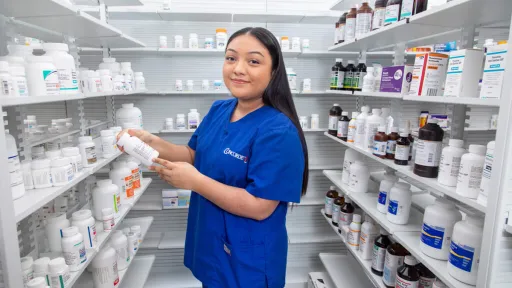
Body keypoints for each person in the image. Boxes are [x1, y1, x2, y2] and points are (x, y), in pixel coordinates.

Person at [121, 27, 309, 287]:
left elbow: (259, 207)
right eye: (231, 58)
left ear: (274, 71)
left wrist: (195, 182)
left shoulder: (278, 131)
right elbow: (191, 154)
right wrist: (151, 141)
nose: (238, 69)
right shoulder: (220, 109)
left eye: (253, 61)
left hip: (247, 257)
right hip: (212, 243)